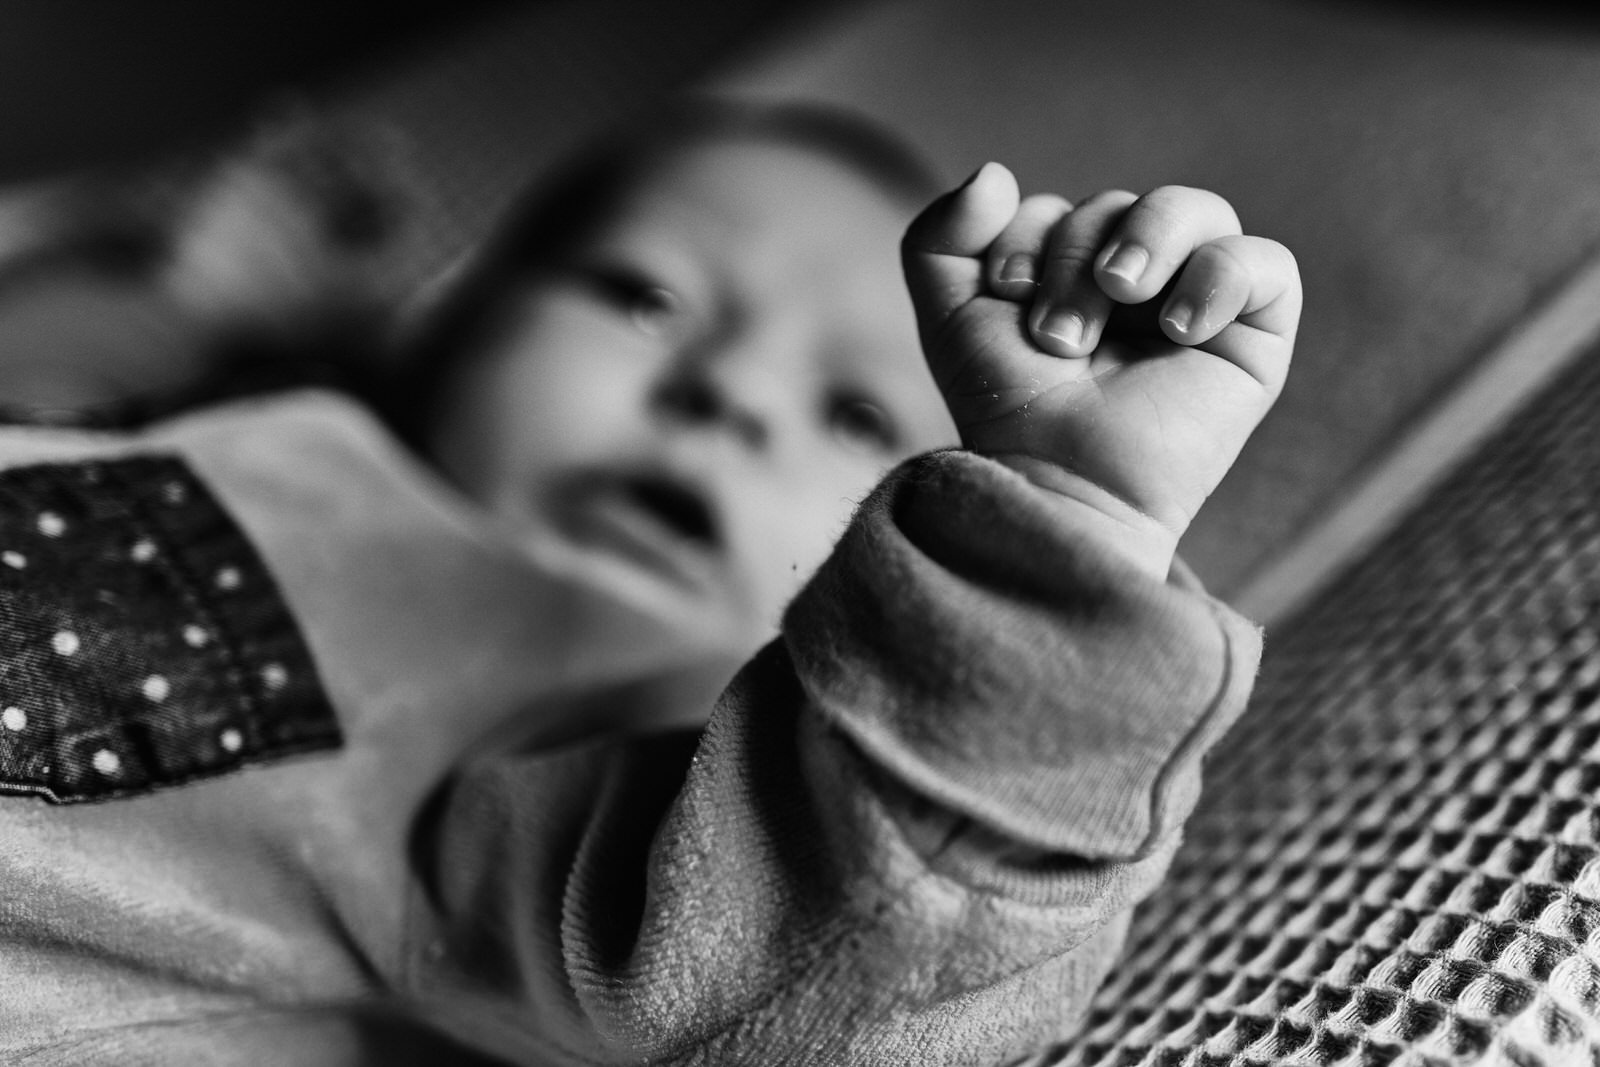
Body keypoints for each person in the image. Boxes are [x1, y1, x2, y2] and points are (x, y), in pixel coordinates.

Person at [0, 99, 1298, 1065]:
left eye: (853, 413)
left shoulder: (627, 719)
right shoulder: (290, 438)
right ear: (444, 313)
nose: (725, 394)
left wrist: (1066, 516)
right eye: (642, 295)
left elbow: (836, 945)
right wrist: (211, 292)